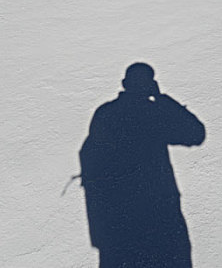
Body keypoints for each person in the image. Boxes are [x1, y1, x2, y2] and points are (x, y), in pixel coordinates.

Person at [79, 63, 205, 267]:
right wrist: (162, 98)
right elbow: (196, 133)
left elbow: (93, 164)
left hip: (121, 215)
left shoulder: (106, 114)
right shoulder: (154, 113)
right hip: (159, 211)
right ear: (150, 85)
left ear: (124, 84)